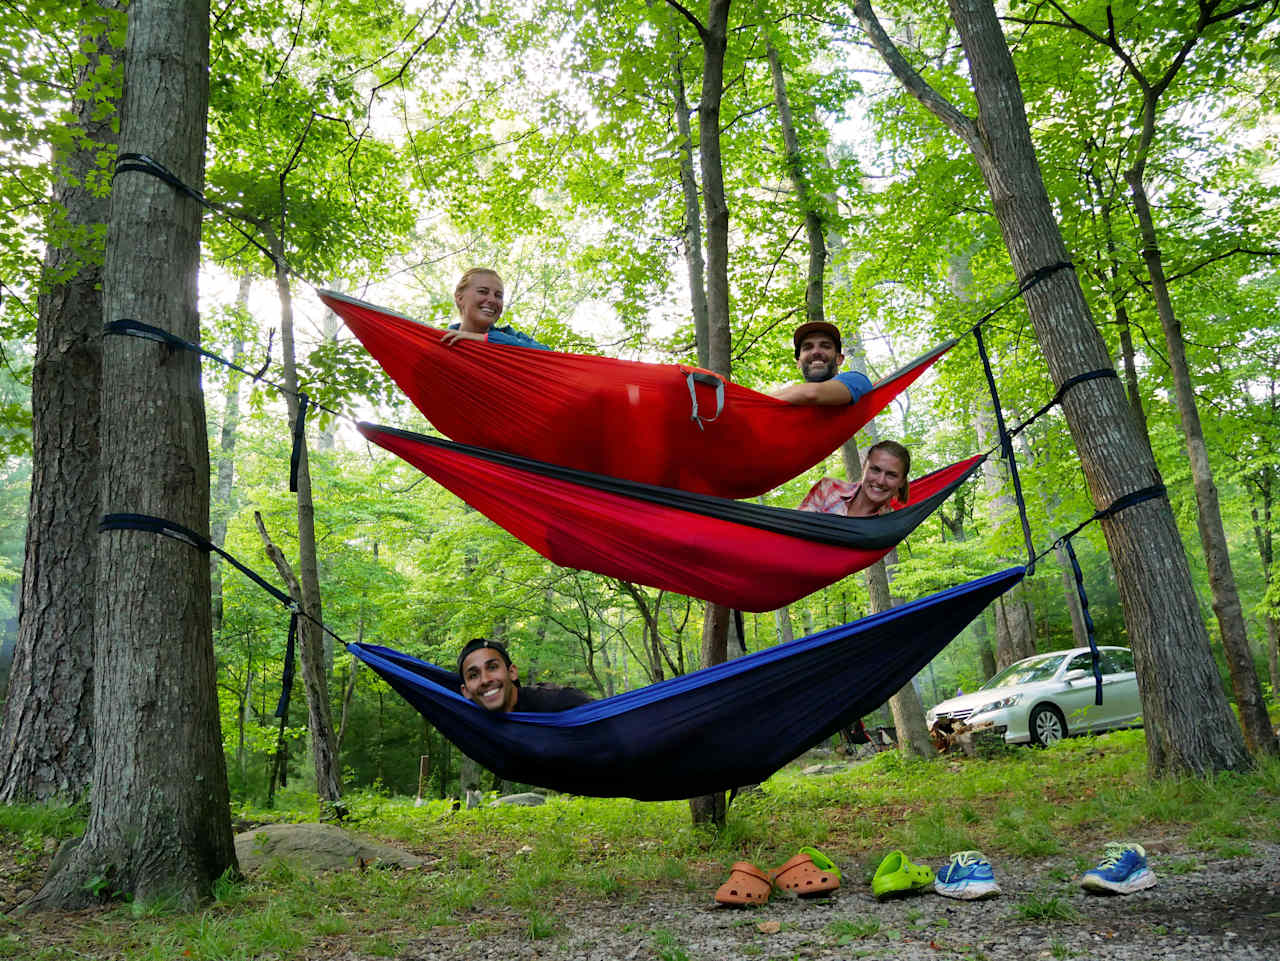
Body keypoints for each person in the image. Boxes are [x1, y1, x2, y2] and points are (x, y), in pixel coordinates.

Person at [456, 638, 593, 713]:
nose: (485, 680)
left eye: (492, 667)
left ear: (512, 672)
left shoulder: (560, 701)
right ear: (465, 691)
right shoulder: (474, 724)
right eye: (473, 675)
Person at [441, 267, 550, 350]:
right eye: (483, 292)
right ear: (459, 298)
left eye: (498, 296)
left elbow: (549, 355)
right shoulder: (440, 341)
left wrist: (486, 338)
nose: (492, 300)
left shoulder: (512, 336)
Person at [799, 439, 912, 517]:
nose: (880, 481)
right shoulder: (828, 488)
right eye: (875, 470)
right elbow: (796, 527)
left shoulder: (889, 524)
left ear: (902, 482)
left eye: (891, 475)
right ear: (864, 468)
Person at [771, 320, 873, 405]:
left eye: (825, 346)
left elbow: (812, 393)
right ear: (798, 362)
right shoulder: (788, 404)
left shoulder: (857, 381)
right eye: (808, 347)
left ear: (839, 359)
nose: (816, 352)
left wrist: (759, 403)